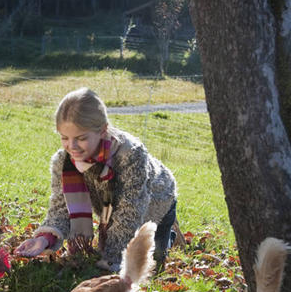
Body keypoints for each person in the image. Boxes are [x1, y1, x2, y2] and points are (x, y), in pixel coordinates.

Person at [15, 87, 177, 271]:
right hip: (109, 207)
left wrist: (110, 260)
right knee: (112, 251)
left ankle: (168, 236)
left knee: (152, 262)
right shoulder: (64, 162)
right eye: (64, 138)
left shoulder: (130, 155)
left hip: (157, 204)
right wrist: (45, 238)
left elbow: (128, 214)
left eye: (81, 138)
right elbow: (61, 207)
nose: (72, 146)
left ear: (102, 130)